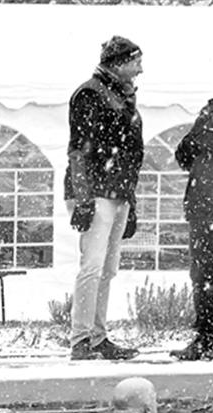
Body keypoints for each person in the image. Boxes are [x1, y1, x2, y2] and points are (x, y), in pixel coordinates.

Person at [66, 37, 144, 362]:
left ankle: (98, 336)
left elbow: (131, 154)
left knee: (108, 269)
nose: (141, 68)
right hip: (97, 191)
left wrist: (131, 200)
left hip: (118, 190)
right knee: (92, 265)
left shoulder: (124, 98)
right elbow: (79, 151)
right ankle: (81, 338)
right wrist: (83, 199)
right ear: (120, 62)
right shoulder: (90, 94)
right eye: (136, 61)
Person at [172, 97, 213, 361]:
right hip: (205, 205)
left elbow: (184, 153)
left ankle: (207, 337)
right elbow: (184, 153)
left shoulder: (209, 114)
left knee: (205, 275)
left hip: (206, 205)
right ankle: (207, 337)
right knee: (205, 275)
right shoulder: (209, 113)